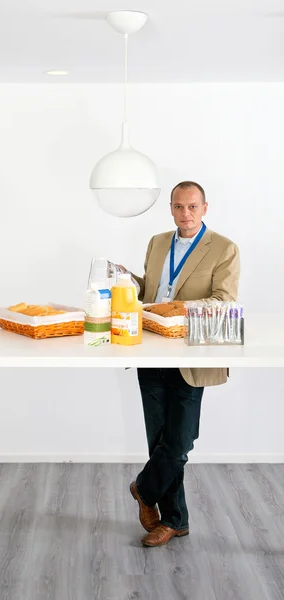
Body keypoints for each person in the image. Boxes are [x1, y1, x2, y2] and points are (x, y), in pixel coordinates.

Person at [126, 181, 240, 548]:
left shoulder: (224, 248)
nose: (185, 214)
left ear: (205, 207)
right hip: (152, 345)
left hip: (192, 351)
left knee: (180, 440)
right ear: (171, 209)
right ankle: (175, 520)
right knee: (158, 438)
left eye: (192, 207)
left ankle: (144, 488)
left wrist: (178, 309)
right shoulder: (158, 242)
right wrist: (128, 282)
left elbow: (223, 300)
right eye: (178, 207)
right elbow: (151, 292)